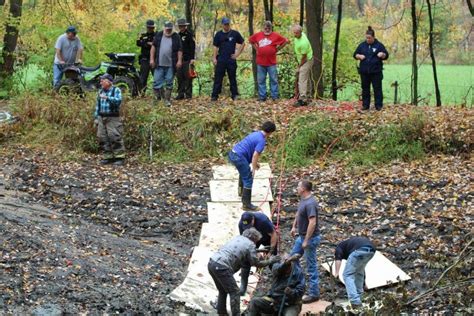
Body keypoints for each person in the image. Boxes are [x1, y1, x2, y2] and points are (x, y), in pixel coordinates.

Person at [208, 228, 281, 316]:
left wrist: (258, 250)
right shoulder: (250, 245)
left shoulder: (238, 238)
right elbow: (257, 263)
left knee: (222, 290)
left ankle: (222, 312)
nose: (255, 244)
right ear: (253, 239)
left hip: (212, 262)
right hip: (222, 266)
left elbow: (240, 249)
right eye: (256, 241)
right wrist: (271, 260)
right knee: (234, 292)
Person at [228, 121, 276, 211]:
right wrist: (253, 169)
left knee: (244, 172)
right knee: (249, 179)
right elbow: (255, 155)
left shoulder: (255, 134)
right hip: (239, 157)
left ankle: (241, 191)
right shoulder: (262, 141)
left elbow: (249, 150)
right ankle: (246, 205)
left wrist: (255, 163)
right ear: (270, 132)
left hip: (232, 153)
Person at [290, 180, 321, 304]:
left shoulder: (311, 203)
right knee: (292, 258)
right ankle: (298, 282)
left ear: (303, 188)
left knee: (311, 265)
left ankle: (314, 294)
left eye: (298, 186)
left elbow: (312, 222)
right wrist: (294, 226)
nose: (296, 188)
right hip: (301, 237)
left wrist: (307, 240)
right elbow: (298, 213)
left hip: (310, 238)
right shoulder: (303, 200)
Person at [238, 211, 278, 295]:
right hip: (252, 240)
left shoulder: (263, 221)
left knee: (273, 260)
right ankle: (243, 287)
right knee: (246, 260)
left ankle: (278, 281)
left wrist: (270, 252)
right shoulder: (241, 224)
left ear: (253, 219)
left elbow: (274, 235)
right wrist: (255, 253)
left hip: (266, 238)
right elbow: (244, 241)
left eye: (250, 225)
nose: (248, 227)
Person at [249, 21, 289, 102]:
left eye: (268, 28)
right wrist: (256, 48)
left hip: (271, 62)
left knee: (273, 79)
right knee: (261, 80)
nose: (267, 29)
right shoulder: (258, 35)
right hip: (260, 62)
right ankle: (262, 97)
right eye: (265, 28)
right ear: (263, 28)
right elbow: (250, 40)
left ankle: (275, 96)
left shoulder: (276, 35)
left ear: (271, 28)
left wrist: (277, 49)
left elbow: (285, 41)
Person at [353, 26, 389, 111]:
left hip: (376, 72)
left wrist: (382, 55)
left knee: (377, 89)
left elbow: (386, 55)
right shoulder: (362, 45)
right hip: (364, 72)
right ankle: (365, 105)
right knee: (365, 89)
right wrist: (359, 56)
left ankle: (378, 106)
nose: (367, 39)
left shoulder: (379, 45)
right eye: (366, 38)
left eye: (369, 38)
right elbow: (355, 54)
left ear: (373, 37)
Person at [333, 237, 376, 308]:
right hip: (371, 250)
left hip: (359, 250)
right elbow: (361, 269)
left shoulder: (339, 247)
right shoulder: (349, 246)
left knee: (347, 275)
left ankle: (355, 301)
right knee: (359, 272)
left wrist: (336, 273)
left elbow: (338, 258)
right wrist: (364, 284)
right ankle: (361, 297)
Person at [211, 17, 245, 101]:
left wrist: (237, 54)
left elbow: (243, 43)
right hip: (221, 59)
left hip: (231, 59)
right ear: (222, 25)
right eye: (225, 24)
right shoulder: (218, 34)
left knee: (232, 77)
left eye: (228, 24)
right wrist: (214, 58)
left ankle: (235, 95)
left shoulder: (235, 33)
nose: (226, 26)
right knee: (218, 78)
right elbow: (215, 46)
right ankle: (214, 96)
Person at [94, 74, 125, 166]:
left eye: (102, 81)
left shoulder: (116, 90)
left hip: (113, 117)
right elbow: (97, 106)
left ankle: (119, 157)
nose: (100, 83)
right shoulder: (100, 91)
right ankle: (107, 157)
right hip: (101, 117)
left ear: (108, 81)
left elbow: (118, 101)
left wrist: (107, 98)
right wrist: (96, 118)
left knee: (114, 136)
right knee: (102, 137)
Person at [150, 21, 183, 106]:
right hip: (159, 64)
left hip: (171, 65)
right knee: (156, 81)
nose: (168, 30)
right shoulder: (159, 35)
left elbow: (180, 49)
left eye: (170, 29)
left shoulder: (176, 36)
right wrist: (152, 59)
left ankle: (167, 100)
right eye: (167, 29)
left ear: (172, 28)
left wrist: (179, 60)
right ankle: (156, 100)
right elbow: (153, 47)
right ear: (164, 28)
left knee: (169, 82)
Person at [291, 25, 313, 107]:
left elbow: (304, 57)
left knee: (302, 78)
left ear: (301, 32)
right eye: (294, 32)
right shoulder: (299, 36)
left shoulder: (304, 42)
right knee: (306, 78)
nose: (295, 34)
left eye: (296, 33)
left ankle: (303, 99)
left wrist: (299, 67)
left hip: (307, 60)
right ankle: (308, 96)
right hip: (303, 59)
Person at [175, 18, 196, 100]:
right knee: (179, 77)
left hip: (188, 59)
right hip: (179, 60)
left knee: (188, 77)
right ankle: (180, 94)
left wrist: (192, 58)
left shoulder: (190, 35)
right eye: (180, 26)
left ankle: (188, 95)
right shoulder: (177, 36)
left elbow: (192, 47)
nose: (181, 27)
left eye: (183, 26)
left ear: (185, 26)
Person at [136, 19, 157, 92]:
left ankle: (158, 94)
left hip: (154, 59)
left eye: (152, 27)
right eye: (149, 27)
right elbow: (138, 43)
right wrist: (148, 43)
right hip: (144, 59)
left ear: (154, 28)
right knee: (143, 78)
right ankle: (142, 93)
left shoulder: (157, 35)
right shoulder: (143, 35)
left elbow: (157, 44)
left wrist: (148, 43)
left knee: (157, 77)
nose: (150, 29)